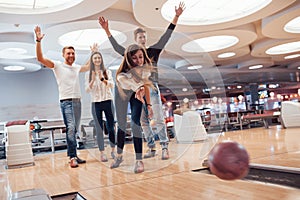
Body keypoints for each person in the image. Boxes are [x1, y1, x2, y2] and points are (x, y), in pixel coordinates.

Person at [98, 1, 185, 160]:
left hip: (151, 88)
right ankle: (151, 147)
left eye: (144, 36)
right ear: (136, 40)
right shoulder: (131, 56)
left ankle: (164, 146)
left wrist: (176, 16)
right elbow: (118, 48)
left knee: (158, 119)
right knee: (143, 121)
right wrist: (107, 31)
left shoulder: (153, 51)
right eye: (140, 37)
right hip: (138, 91)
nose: (143, 39)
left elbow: (167, 35)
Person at [34, 26, 92, 168]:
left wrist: (93, 52)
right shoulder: (57, 65)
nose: (71, 55)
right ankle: (72, 157)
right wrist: (38, 41)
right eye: (68, 53)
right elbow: (40, 58)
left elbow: (89, 66)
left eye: (73, 53)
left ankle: (74, 154)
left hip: (78, 101)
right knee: (71, 128)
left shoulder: (77, 67)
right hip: (66, 102)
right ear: (63, 55)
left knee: (75, 130)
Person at [111, 44, 153, 173]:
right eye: (134, 58)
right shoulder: (121, 75)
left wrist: (149, 105)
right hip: (122, 95)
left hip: (137, 95)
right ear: (129, 59)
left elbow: (145, 87)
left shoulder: (145, 71)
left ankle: (139, 160)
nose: (138, 61)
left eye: (140, 57)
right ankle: (119, 156)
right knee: (122, 126)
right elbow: (128, 83)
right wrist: (138, 88)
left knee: (136, 125)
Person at [85, 51, 116, 162]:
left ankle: (113, 150)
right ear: (92, 61)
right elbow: (87, 90)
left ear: (101, 59)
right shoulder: (88, 74)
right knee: (99, 129)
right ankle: (102, 153)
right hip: (95, 103)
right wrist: (93, 79)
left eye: (99, 58)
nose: (97, 60)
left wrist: (102, 78)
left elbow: (112, 85)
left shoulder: (107, 72)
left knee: (111, 127)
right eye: (95, 58)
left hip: (108, 101)